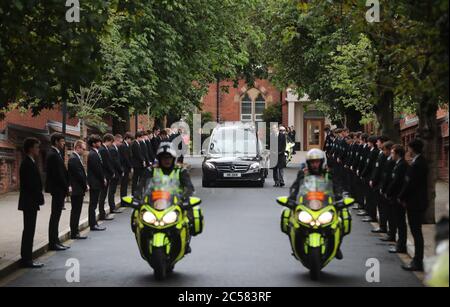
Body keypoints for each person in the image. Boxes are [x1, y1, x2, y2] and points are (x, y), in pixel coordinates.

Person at [399, 139, 428, 271]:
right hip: (416, 201)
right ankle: (417, 260)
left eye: (409, 148)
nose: (408, 150)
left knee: (416, 232)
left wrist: (401, 197)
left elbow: (410, 184)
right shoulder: (419, 162)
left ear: (413, 149)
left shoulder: (417, 164)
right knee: (416, 232)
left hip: (415, 202)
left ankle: (417, 261)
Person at [19, 138, 45, 268]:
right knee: (29, 230)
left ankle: (27, 257)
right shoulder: (27, 163)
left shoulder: (31, 161)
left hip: (31, 201)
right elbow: (31, 185)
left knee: (30, 229)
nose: (38, 150)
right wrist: (39, 197)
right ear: (30, 148)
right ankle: (26, 259)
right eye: (36, 147)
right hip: (29, 202)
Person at [45, 133, 70, 251]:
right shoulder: (53, 154)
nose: (64, 143)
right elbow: (58, 174)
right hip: (57, 189)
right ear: (56, 142)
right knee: (55, 216)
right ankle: (53, 242)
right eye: (62, 141)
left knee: (56, 215)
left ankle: (56, 240)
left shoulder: (56, 153)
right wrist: (66, 187)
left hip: (59, 189)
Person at [385, 144, 408, 254]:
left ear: (398, 154)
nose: (391, 155)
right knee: (398, 221)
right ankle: (399, 244)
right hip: (395, 196)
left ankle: (401, 245)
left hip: (398, 197)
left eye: (393, 153)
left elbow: (397, 182)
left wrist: (389, 192)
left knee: (400, 222)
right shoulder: (398, 164)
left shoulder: (402, 165)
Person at [369, 136, 390, 233]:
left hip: (381, 184)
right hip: (377, 183)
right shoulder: (381, 153)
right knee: (380, 206)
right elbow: (375, 168)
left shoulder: (384, 155)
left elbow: (381, 171)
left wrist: (376, 181)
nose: (377, 143)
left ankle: (384, 227)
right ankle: (382, 226)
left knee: (383, 207)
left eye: (378, 142)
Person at [68, 140, 88, 240]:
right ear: (77, 148)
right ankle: (74, 232)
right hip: (77, 189)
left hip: (78, 189)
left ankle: (75, 231)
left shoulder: (76, 158)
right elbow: (79, 175)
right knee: (75, 211)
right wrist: (85, 186)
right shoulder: (74, 159)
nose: (84, 151)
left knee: (77, 211)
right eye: (83, 149)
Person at [87, 135, 107, 231]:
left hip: (96, 181)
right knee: (93, 204)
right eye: (98, 142)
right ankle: (92, 224)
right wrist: (102, 178)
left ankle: (94, 223)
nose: (100, 143)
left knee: (94, 204)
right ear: (94, 144)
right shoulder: (93, 154)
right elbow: (97, 169)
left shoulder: (96, 153)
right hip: (94, 182)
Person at [98, 134, 115, 221]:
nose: (111, 144)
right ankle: (102, 214)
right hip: (105, 175)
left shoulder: (104, 149)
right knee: (103, 195)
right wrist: (112, 172)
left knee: (103, 195)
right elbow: (106, 163)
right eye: (111, 142)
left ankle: (102, 213)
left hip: (105, 174)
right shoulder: (103, 150)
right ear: (108, 140)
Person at [108, 134, 124, 214]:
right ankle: (112, 207)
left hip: (115, 172)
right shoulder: (112, 149)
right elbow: (115, 162)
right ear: (116, 140)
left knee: (113, 191)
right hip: (114, 173)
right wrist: (121, 170)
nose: (121, 144)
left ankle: (113, 206)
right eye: (120, 142)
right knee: (112, 191)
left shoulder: (115, 148)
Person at [119, 132, 133, 198]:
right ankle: (123, 199)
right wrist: (131, 166)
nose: (131, 141)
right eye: (130, 139)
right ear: (127, 138)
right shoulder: (123, 146)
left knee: (125, 184)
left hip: (127, 167)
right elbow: (126, 157)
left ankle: (124, 197)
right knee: (123, 185)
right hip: (124, 167)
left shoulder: (127, 145)